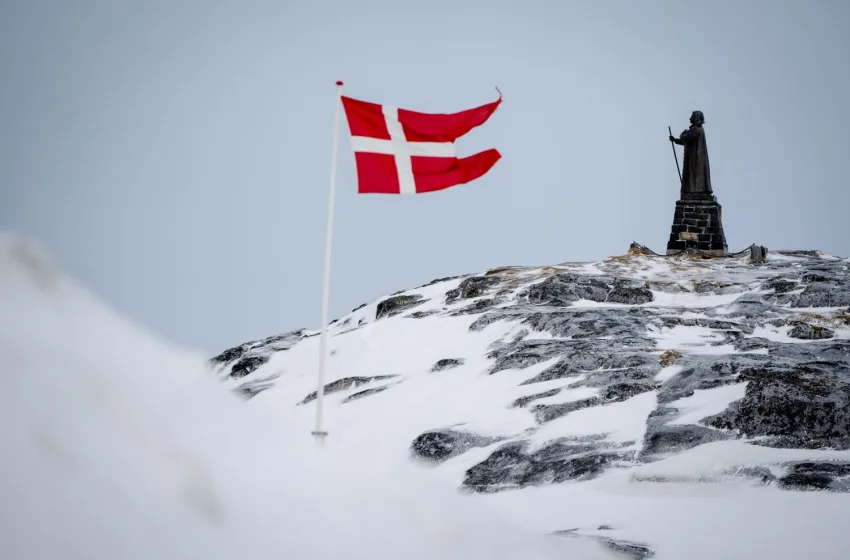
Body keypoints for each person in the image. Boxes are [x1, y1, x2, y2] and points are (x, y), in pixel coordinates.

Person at [669, 110, 712, 197]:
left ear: (696, 118)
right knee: (694, 174)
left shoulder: (696, 129)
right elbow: (686, 141)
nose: (690, 118)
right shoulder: (698, 129)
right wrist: (675, 140)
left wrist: (682, 135)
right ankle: (694, 189)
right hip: (695, 157)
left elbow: (685, 138)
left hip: (695, 159)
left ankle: (695, 190)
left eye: (692, 116)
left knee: (695, 174)